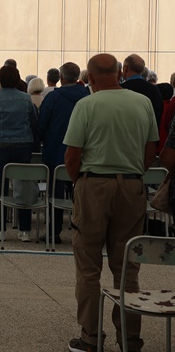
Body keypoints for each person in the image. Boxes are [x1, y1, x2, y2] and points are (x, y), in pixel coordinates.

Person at [63, 53, 157, 352]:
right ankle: (130, 339)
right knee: (127, 266)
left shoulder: (86, 105)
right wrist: (133, 175)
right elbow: (151, 150)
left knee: (88, 265)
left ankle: (90, 338)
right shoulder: (142, 103)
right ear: (120, 73)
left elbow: (72, 156)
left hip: (94, 184)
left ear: (89, 77)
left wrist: (81, 183)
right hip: (132, 185)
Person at [0, 64, 38, 242]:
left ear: (0, 80)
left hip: (0, 144)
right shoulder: (26, 98)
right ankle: (25, 230)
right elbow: (34, 122)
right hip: (23, 144)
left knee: (0, 187)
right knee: (23, 185)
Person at [37, 62, 89, 244]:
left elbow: (42, 123)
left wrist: (41, 139)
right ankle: (84, 230)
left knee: (55, 194)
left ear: (61, 77)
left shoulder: (53, 97)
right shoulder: (87, 96)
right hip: (83, 153)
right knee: (82, 194)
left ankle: (53, 231)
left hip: (55, 151)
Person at [121, 53, 164, 128]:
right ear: (143, 70)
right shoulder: (154, 90)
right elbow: (157, 115)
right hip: (147, 132)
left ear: (125, 68)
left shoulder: (120, 89)